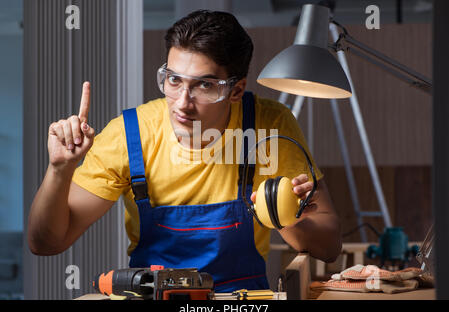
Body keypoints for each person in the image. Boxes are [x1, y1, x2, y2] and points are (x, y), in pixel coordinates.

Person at [28, 10, 341, 292]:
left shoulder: (269, 126)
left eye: (204, 86)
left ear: (236, 90)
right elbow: (45, 243)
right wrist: (59, 169)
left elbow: (329, 247)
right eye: (174, 80)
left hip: (241, 301)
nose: (182, 102)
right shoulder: (129, 134)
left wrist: (283, 215)